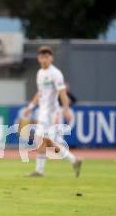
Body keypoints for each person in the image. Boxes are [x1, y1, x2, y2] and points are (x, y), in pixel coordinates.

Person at [24, 46, 82, 177]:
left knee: (46, 141)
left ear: (51, 58)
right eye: (42, 57)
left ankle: (72, 160)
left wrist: (66, 110)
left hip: (53, 113)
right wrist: (30, 107)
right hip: (43, 112)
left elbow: (62, 93)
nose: (44, 59)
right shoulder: (40, 73)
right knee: (44, 141)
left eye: (47, 57)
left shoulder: (55, 73)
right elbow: (40, 93)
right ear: (39, 58)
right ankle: (72, 161)